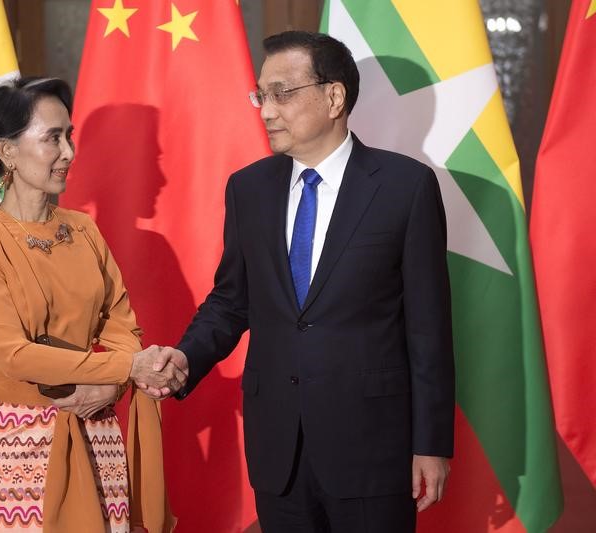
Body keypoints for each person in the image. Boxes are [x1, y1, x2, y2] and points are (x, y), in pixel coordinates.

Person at [144, 31, 455, 532]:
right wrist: (184, 356)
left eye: (282, 94)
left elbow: (429, 329)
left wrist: (432, 444)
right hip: (278, 450)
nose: (266, 110)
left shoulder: (406, 187)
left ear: (334, 97)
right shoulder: (249, 188)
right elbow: (231, 301)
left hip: (373, 449)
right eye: (261, 95)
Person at [0, 77, 180, 532]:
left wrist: (108, 389)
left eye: (69, 136)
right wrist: (125, 371)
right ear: (7, 151)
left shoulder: (83, 229)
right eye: (52, 138)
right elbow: (14, 355)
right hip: (12, 434)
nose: (69, 152)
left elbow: (120, 325)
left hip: (93, 419)